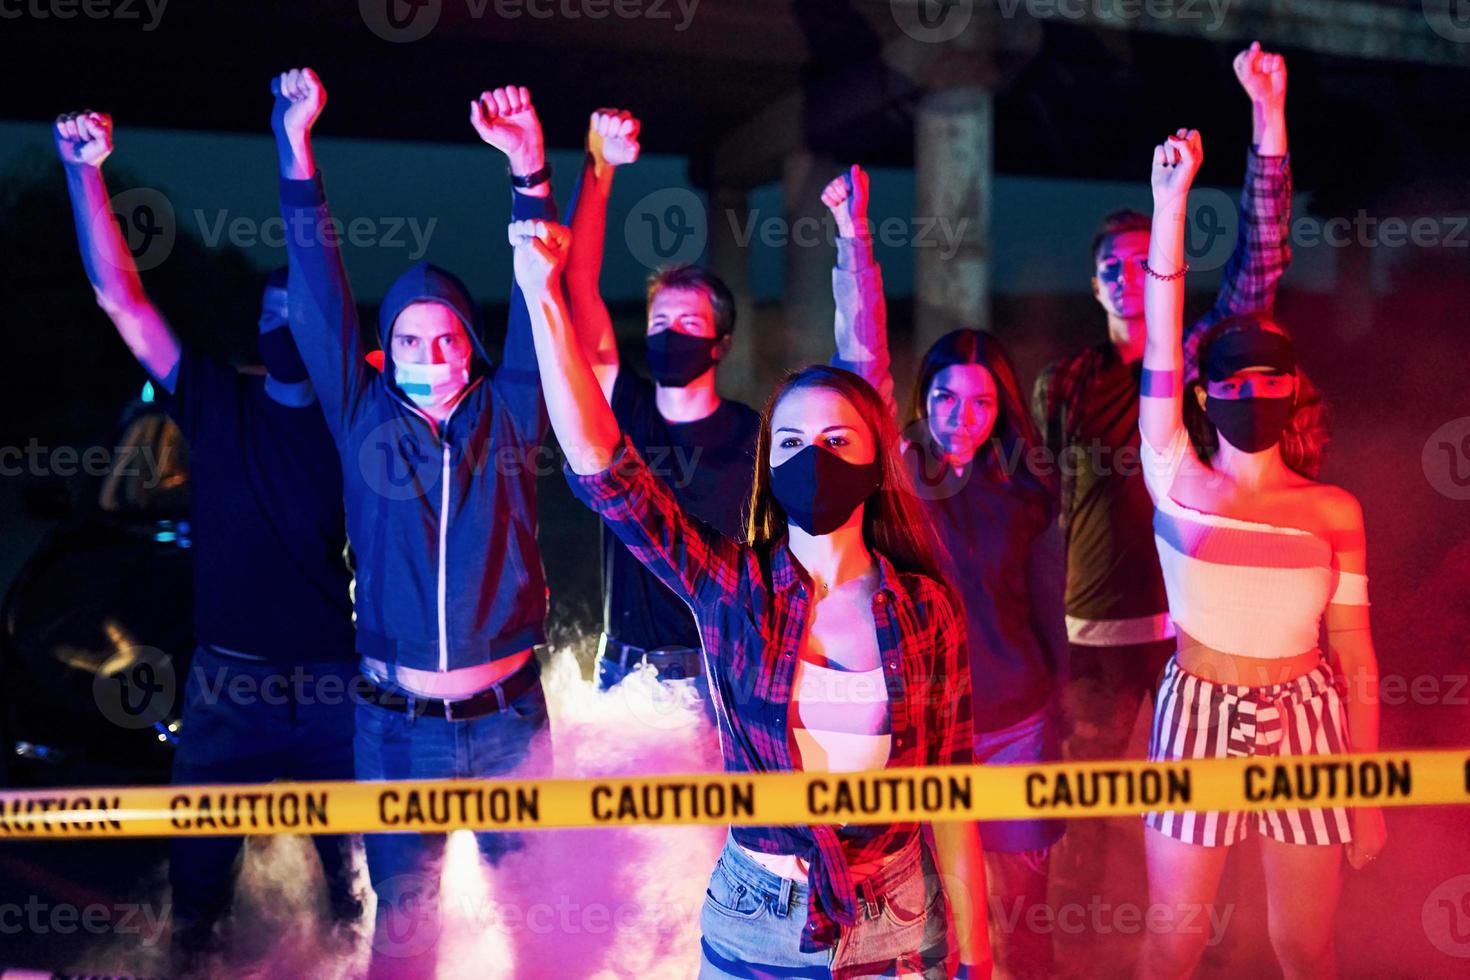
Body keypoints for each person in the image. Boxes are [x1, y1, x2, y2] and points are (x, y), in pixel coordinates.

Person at [507, 216, 992, 978]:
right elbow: (603, 469)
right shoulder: (734, 587)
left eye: (836, 442)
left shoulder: (927, 612)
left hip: (893, 918)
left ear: (873, 465)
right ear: (770, 465)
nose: (812, 457)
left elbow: (954, 798)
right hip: (755, 921)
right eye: (793, 444)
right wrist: (543, 297)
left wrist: (980, 949)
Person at [54, 111, 361, 970]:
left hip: (340, 694)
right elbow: (123, 298)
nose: (287, 322)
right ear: (256, 329)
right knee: (196, 903)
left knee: (360, 897)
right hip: (229, 695)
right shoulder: (216, 401)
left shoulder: (355, 418)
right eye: (274, 310)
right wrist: (83, 172)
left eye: (301, 309)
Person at [271, 69, 556, 976]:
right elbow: (318, 291)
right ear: (382, 349)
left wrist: (531, 174)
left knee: (540, 925)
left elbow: (542, 298)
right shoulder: (361, 414)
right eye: (408, 339)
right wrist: (297, 148)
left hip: (510, 719)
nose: (431, 356)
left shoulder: (510, 411)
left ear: (472, 342)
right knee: (404, 934)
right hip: (397, 729)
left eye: (447, 338)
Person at [1031, 41, 1294, 909]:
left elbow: (1259, 261)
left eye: (1140, 259)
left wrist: (1266, 117)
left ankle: (1199, 954)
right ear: (1096, 283)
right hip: (1093, 639)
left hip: (1197, 640)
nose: (1123, 273)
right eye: (1109, 263)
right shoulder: (1064, 382)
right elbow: (1040, 508)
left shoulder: (1191, 360)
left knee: (1198, 822)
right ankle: (1071, 962)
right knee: (1085, 820)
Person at [1135, 126, 1386, 979]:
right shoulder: (1175, 476)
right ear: (1205, 396)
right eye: (1232, 381)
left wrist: (1366, 788)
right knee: (1171, 940)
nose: (1252, 393)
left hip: (1311, 722)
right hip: (1195, 711)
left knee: (1303, 945)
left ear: (1294, 389)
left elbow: (1355, 654)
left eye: (1270, 379)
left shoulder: (1332, 509)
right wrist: (1171, 206)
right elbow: (1163, 344)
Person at [822, 164, 1066, 979]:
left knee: (1021, 904)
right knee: (933, 909)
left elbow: (1044, 613)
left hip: (1016, 727)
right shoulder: (893, 474)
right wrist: (855, 239)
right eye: (948, 399)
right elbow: (861, 361)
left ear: (1002, 410)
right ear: (921, 401)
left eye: (982, 402)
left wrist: (1063, 714)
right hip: (924, 731)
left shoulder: (1025, 492)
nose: (963, 417)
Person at [563, 108, 759, 709]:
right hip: (624, 674)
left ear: (721, 343)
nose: (671, 333)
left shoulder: (754, 435)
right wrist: (600, 170)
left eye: (689, 323)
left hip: (718, 672)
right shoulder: (623, 409)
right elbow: (577, 285)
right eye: (660, 322)